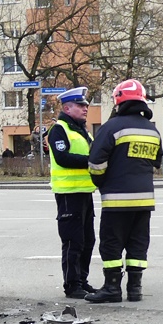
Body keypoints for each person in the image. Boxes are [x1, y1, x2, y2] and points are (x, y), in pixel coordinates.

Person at [85, 79, 162, 303]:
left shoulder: (112, 127)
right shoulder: (152, 129)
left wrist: (100, 182)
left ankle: (112, 289)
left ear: (119, 101)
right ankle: (135, 290)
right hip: (144, 200)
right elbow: (157, 161)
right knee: (138, 243)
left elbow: (96, 162)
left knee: (112, 244)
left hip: (117, 200)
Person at [47, 87, 96, 299]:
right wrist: (91, 162)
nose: (86, 108)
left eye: (86, 105)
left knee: (88, 240)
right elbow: (63, 158)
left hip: (85, 192)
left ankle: (82, 280)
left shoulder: (83, 131)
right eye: (81, 105)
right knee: (72, 242)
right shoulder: (59, 129)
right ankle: (72, 284)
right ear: (67, 108)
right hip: (68, 194)